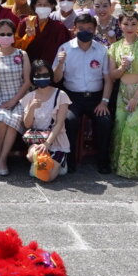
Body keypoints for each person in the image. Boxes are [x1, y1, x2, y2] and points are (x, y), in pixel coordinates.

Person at [53, 12, 111, 174]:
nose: (85, 31)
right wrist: (60, 63)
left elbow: (108, 78)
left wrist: (104, 102)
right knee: (69, 121)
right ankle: (69, 162)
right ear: (74, 29)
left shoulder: (102, 50)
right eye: (81, 28)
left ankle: (103, 161)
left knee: (105, 121)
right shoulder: (65, 49)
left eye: (89, 29)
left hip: (95, 98)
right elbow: (56, 78)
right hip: (72, 98)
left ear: (95, 30)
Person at [108, 11, 138, 179]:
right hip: (123, 92)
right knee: (120, 123)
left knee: (132, 124)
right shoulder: (115, 47)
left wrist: (137, 96)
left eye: (133, 24)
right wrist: (122, 67)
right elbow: (112, 75)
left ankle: (137, 166)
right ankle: (119, 163)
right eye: (125, 24)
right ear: (120, 25)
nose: (129, 27)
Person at [2, 64, 71, 178]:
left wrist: (47, 144)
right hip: (38, 138)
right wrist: (31, 108)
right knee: (31, 157)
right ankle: (43, 162)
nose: (42, 78)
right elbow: (27, 124)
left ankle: (58, 161)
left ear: (50, 76)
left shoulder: (61, 95)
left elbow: (59, 123)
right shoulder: (29, 96)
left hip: (56, 139)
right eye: (38, 75)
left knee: (47, 177)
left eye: (45, 75)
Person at [0, 15, 31, 175]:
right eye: (2, 34)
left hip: (20, 98)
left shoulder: (21, 54)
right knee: (3, 119)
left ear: (13, 35)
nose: (5, 37)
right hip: (1, 98)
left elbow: (27, 82)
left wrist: (14, 100)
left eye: (8, 34)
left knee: (13, 120)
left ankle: (2, 158)